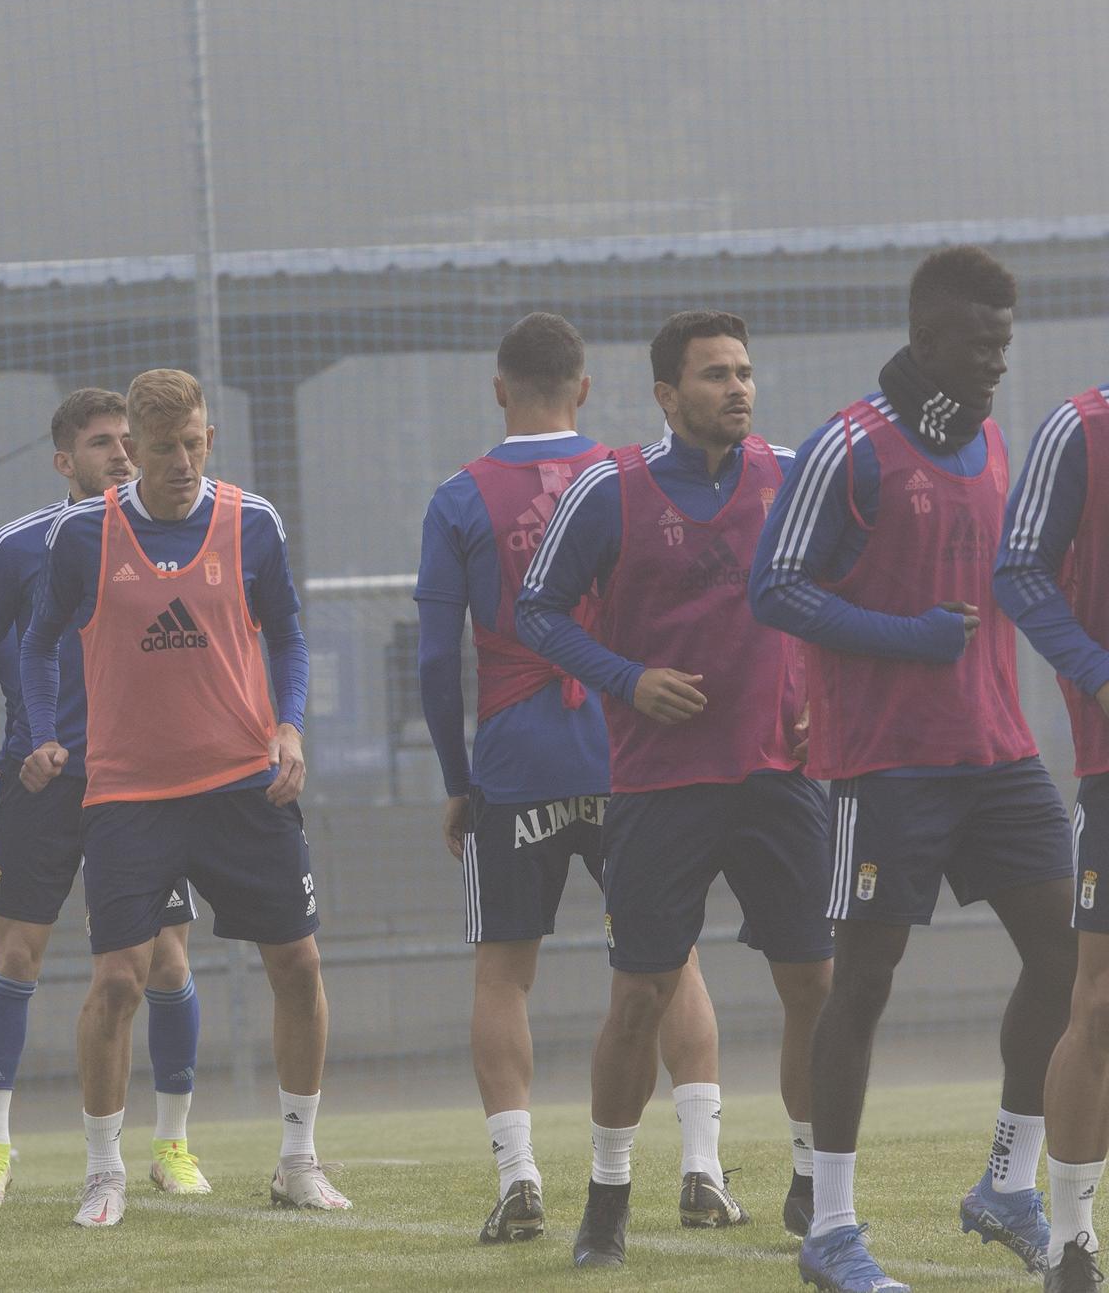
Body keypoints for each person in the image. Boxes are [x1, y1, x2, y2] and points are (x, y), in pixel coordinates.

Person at [749, 246, 1075, 1293]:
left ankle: (1005, 1185)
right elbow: (773, 589)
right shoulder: (844, 447)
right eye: (978, 345)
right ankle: (832, 1231)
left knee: (1071, 963)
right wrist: (904, 635)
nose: (994, 363)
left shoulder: (990, 442)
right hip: (883, 767)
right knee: (864, 983)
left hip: (999, 756)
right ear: (926, 339)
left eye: (1004, 344)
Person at [518, 311, 833, 1268]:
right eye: (714, 376)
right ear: (666, 394)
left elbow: (841, 591)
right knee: (642, 997)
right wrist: (627, 678)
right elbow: (535, 608)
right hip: (660, 788)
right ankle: (606, 1200)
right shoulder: (609, 489)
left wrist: (820, 687)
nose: (737, 388)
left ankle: (817, 1183)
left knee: (816, 987)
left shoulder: (791, 474)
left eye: (744, 371)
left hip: (781, 779)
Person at [418, 312, 734, 1246]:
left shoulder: (460, 497)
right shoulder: (633, 476)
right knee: (669, 956)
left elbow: (438, 661)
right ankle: (703, 1168)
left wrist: (457, 778)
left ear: (499, 388)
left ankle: (520, 1177)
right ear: (587, 388)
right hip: (631, 746)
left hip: (516, 757)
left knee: (504, 972)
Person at [25, 368, 343, 1227]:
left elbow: (288, 633)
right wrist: (46, 730)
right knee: (119, 981)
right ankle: (103, 1171)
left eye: (192, 441)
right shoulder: (84, 536)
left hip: (242, 781)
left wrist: (291, 727)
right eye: (161, 446)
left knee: (299, 964)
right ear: (132, 447)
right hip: (128, 792)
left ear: (210, 437)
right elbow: (40, 639)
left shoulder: (253, 522)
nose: (179, 459)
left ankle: (299, 1159)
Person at [0, 388, 204, 1208]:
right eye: (102, 443)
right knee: (16, 954)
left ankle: (172, 1143)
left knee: (164, 961)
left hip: (146, 785)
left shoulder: (176, 534)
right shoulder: (22, 545)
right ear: (64, 461)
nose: (123, 454)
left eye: (130, 439)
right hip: (46, 782)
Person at [994, 379, 1109, 1289]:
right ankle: (1071, 1232)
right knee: (1100, 1003)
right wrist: (1095, 673)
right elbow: (1019, 567)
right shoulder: (1081, 426)